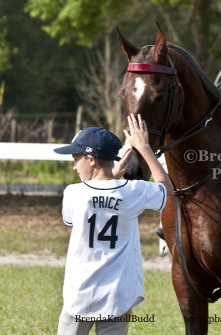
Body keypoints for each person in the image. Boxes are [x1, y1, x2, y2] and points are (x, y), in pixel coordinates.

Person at [54, 113, 173, 335]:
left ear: (91, 159)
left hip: (79, 294)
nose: (74, 167)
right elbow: (166, 189)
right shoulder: (132, 192)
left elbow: (90, 201)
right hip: (118, 295)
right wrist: (144, 148)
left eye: (76, 159)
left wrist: (112, 178)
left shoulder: (73, 193)